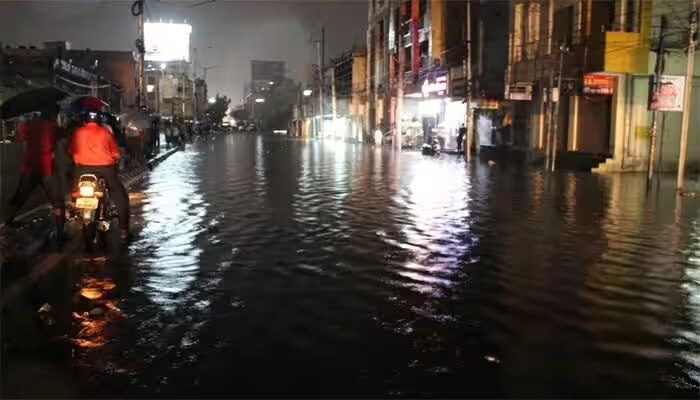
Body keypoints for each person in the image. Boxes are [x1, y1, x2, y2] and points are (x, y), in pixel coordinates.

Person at [4, 106, 66, 244]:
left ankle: (8, 219)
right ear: (53, 115)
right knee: (57, 201)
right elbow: (64, 137)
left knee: (21, 195)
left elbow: (20, 136)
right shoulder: (54, 127)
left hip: (30, 166)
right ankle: (61, 233)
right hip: (47, 168)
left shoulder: (28, 124)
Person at [69, 110, 130, 242]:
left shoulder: (78, 132)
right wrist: (117, 157)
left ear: (85, 120)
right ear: (99, 121)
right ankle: (124, 231)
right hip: (105, 168)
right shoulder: (105, 132)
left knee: (74, 191)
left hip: (82, 168)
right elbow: (115, 152)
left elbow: (71, 150)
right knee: (120, 196)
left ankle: (73, 212)